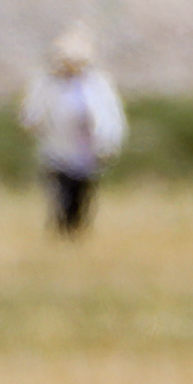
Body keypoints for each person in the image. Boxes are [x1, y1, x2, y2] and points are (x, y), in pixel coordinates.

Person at [20, 27, 126, 235]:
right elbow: (32, 113)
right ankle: (62, 233)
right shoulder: (46, 83)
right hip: (56, 152)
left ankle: (75, 235)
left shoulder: (97, 84)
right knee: (61, 196)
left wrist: (109, 144)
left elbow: (111, 116)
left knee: (81, 197)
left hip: (87, 154)